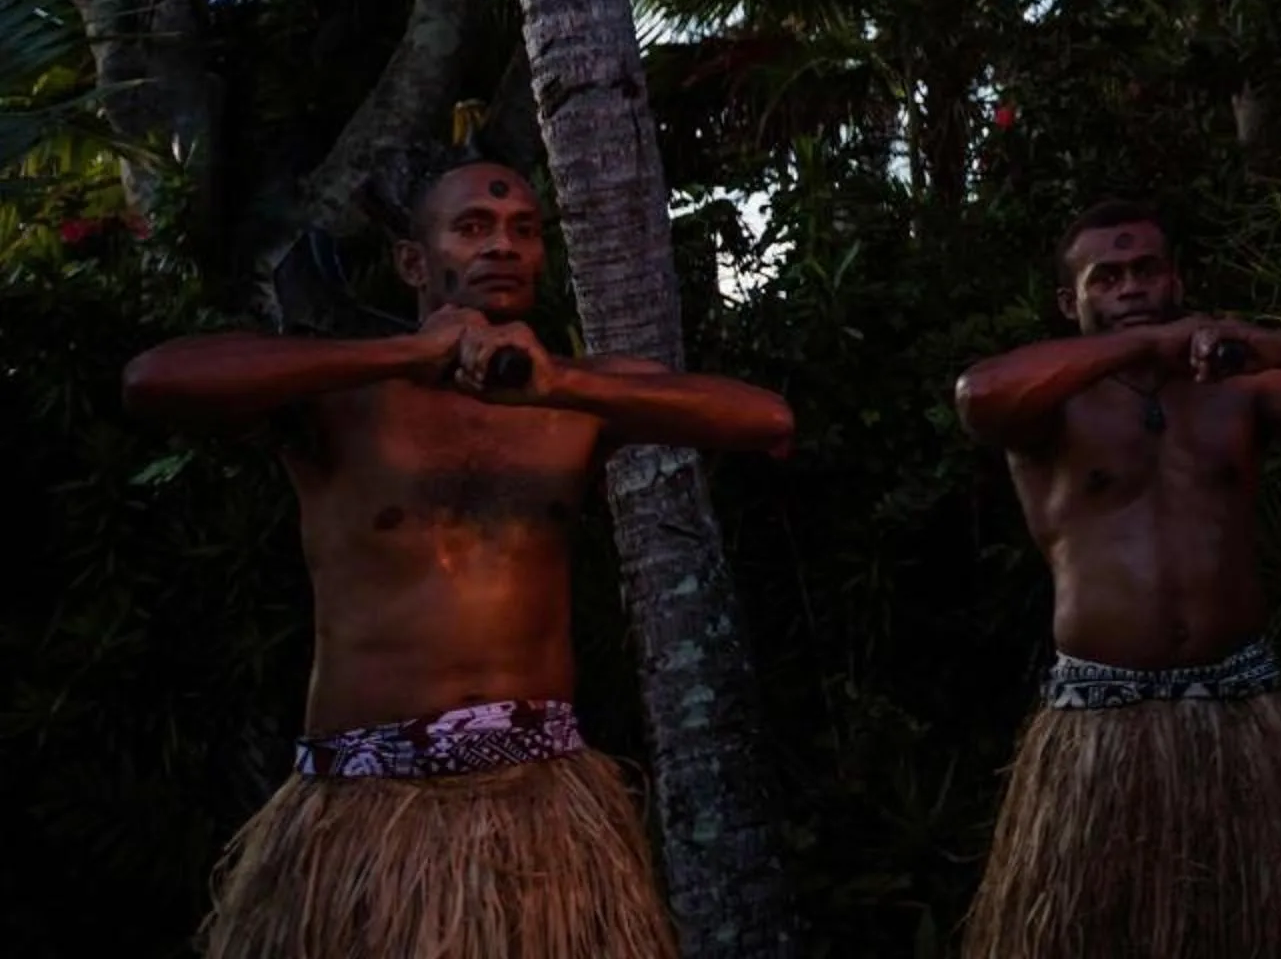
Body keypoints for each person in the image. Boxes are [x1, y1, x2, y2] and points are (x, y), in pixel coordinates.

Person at [120, 151, 794, 959]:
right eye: (473, 227)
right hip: (365, 810)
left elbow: (766, 421)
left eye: (522, 229)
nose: (502, 245)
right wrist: (403, 356)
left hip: (545, 810)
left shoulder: (579, 397)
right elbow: (154, 381)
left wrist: (560, 387)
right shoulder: (339, 401)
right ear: (413, 260)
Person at [953, 201, 1281, 959]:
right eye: (1108, 277)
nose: (1131, 287)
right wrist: (1153, 344)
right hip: (1102, 722)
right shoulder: (1049, 406)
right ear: (1072, 302)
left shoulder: (1239, 389)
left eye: (1147, 270)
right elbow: (978, 397)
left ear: (1176, 277)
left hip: (1241, 710)